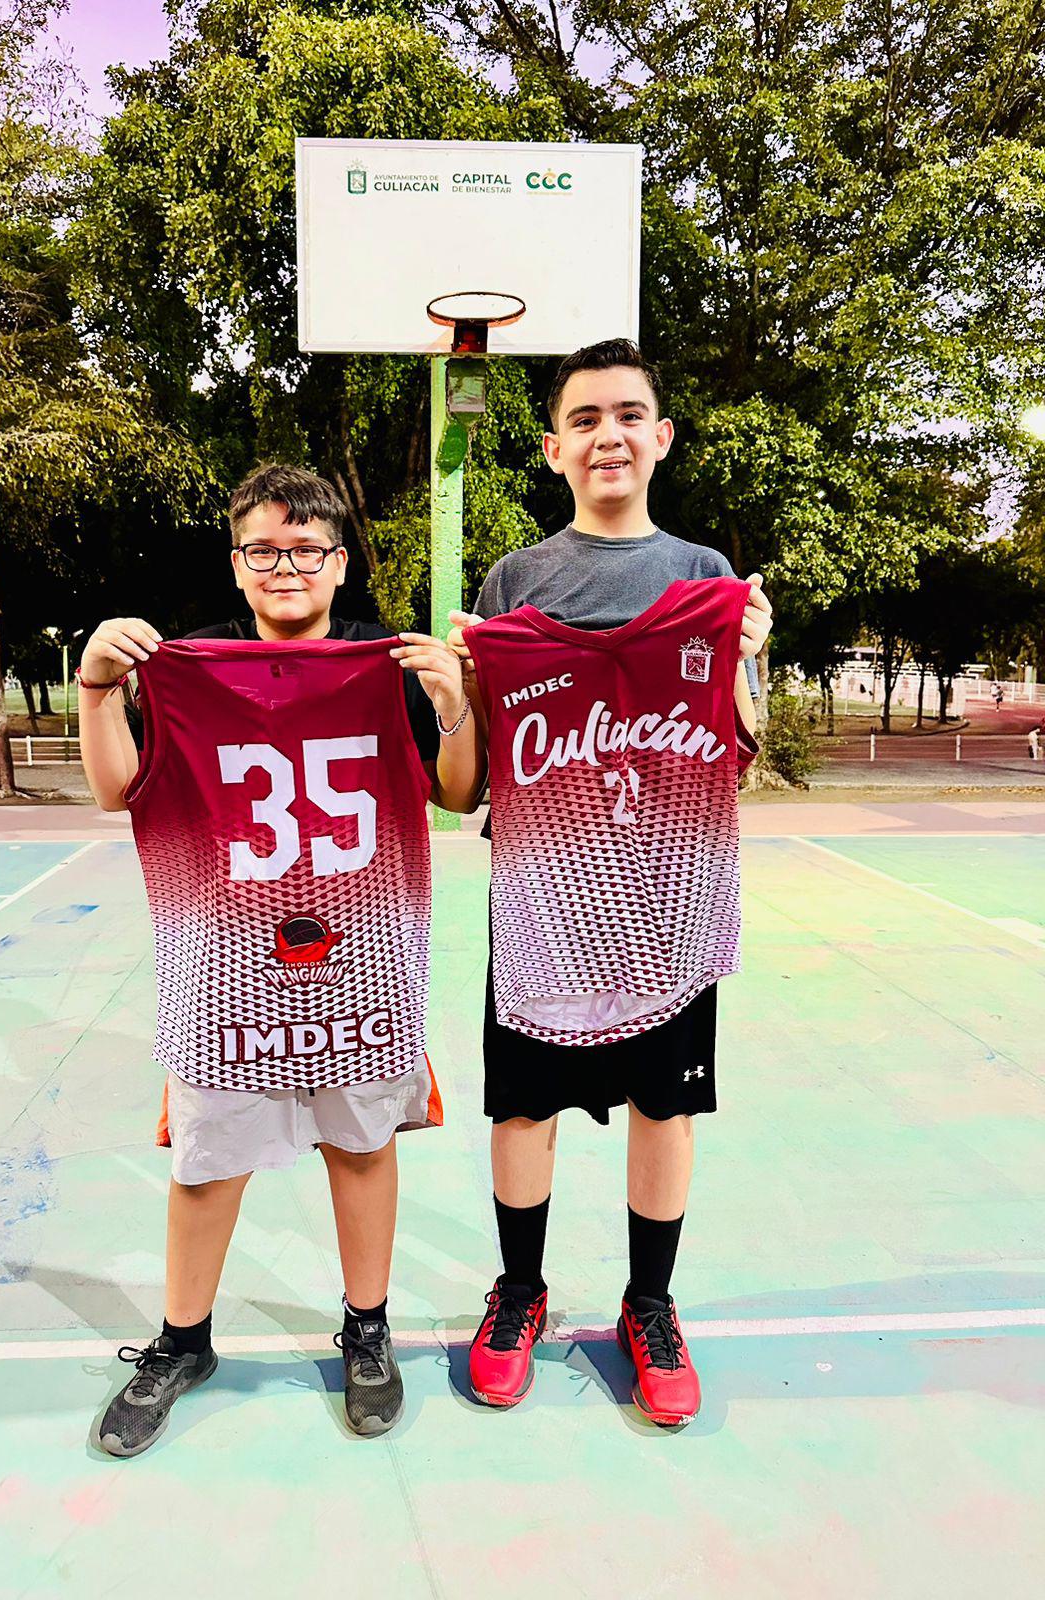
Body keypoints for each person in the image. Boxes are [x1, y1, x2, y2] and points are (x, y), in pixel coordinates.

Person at [78, 464, 484, 1454]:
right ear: (239, 564)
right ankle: (183, 1339)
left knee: (361, 1145)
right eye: (266, 548)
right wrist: (93, 688)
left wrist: (462, 705)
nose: (286, 564)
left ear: (340, 563)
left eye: (307, 549)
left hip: (365, 956)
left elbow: (458, 795)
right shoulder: (187, 667)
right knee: (210, 1161)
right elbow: (114, 790)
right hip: (228, 964)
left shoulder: (391, 667)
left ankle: (368, 1324)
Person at [447, 339, 772, 1425]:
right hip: (543, 898)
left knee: (664, 1103)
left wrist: (743, 662)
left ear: (661, 436)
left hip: (667, 898)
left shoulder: (707, 581)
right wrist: (457, 689)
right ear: (553, 447)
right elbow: (477, 771)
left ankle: (650, 1302)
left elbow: (741, 747)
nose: (609, 435)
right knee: (523, 1104)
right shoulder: (515, 583)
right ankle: (522, 1292)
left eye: (629, 414)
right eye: (585, 419)